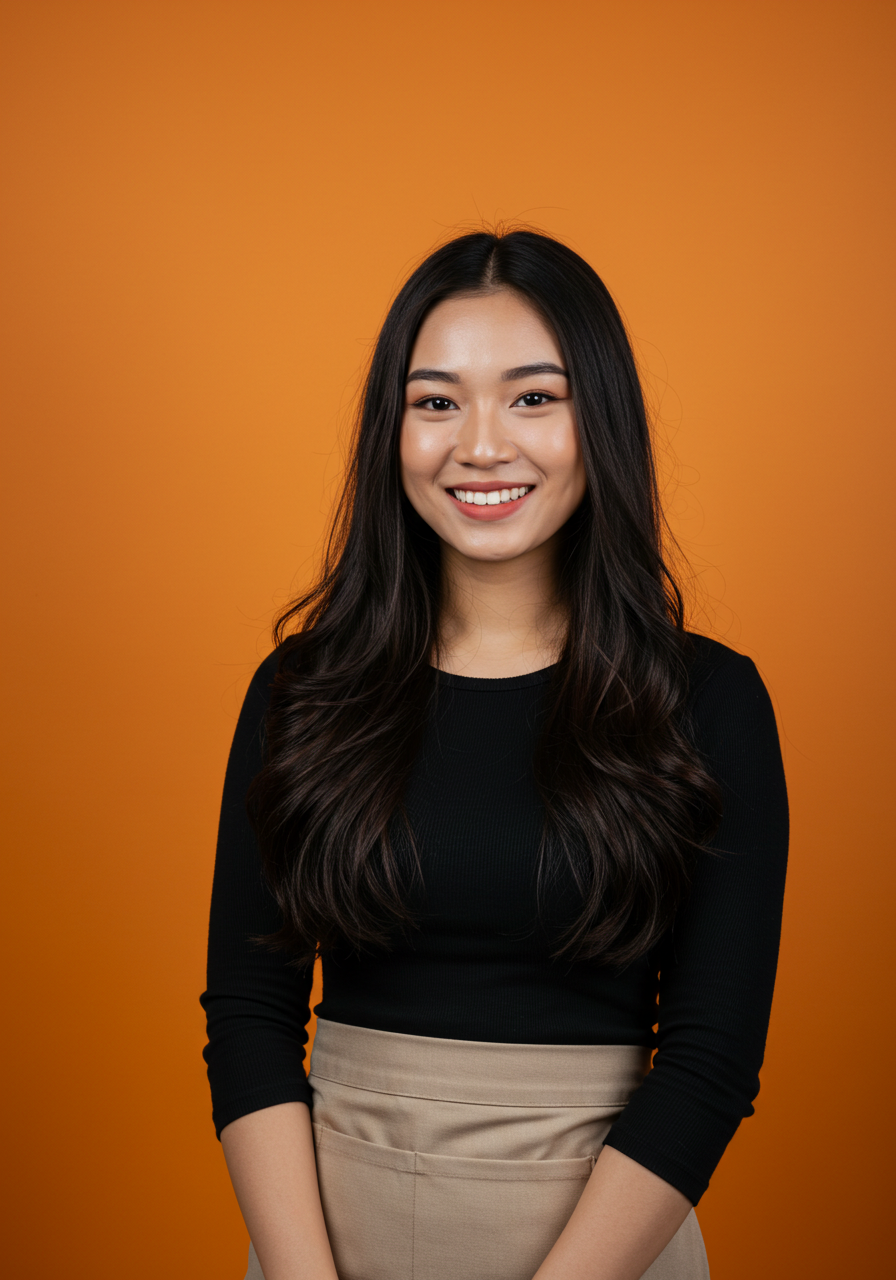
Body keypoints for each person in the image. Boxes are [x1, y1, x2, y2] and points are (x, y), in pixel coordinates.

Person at [200, 229, 789, 1280]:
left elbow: (708, 1059)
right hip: (322, 1240)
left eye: (532, 397)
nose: (478, 444)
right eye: (435, 401)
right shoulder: (299, 690)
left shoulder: (706, 699)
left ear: (596, 421)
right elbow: (248, 1012)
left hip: (599, 1248)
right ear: (393, 429)